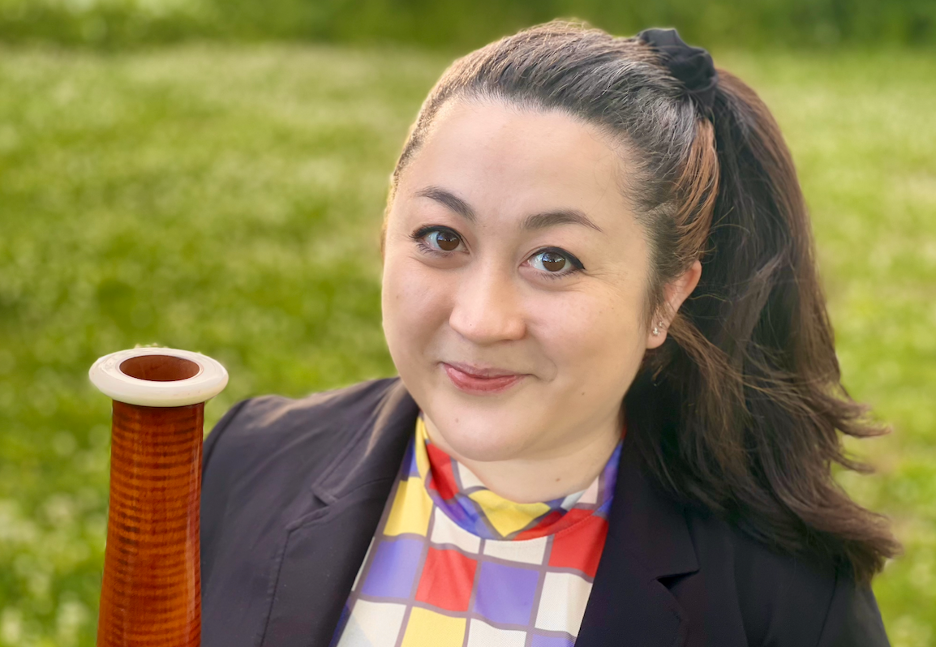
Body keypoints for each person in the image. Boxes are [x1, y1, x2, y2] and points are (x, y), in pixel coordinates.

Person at [198, 22, 899, 647]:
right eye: (441, 237)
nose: (480, 319)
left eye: (554, 260)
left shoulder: (787, 600)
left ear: (666, 297)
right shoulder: (245, 463)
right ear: (387, 233)